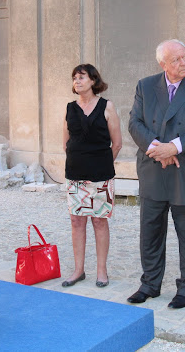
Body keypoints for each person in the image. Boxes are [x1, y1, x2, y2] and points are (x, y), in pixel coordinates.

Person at [127, 39, 185, 309]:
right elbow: (135, 122)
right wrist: (157, 148)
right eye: (176, 59)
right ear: (163, 64)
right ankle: (150, 284)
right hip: (154, 168)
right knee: (150, 231)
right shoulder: (145, 86)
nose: (184, 63)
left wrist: (173, 148)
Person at [62, 64, 122, 288]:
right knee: (77, 221)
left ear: (93, 81)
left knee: (99, 221)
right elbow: (66, 143)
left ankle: (101, 271)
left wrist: (101, 164)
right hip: (75, 175)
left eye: (82, 77)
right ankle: (78, 270)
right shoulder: (69, 108)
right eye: (74, 78)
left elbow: (117, 144)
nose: (77, 81)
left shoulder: (107, 106)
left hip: (101, 176)